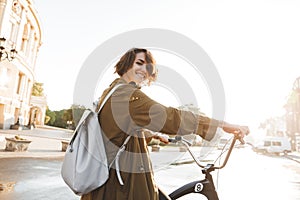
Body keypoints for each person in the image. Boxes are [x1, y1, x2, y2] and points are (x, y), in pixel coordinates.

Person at [81, 48, 249, 200]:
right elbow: (170, 117)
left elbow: (117, 131)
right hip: (120, 188)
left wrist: (151, 134)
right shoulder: (127, 95)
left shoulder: (111, 91)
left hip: (107, 183)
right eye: (139, 63)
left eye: (148, 68)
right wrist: (221, 124)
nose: (143, 70)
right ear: (126, 64)